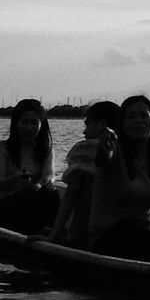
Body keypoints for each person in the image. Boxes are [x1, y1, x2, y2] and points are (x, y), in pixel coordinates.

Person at [87, 95, 150, 262]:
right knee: (128, 229)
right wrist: (105, 147)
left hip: (146, 235)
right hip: (109, 239)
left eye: (143, 116)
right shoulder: (114, 152)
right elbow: (104, 158)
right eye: (131, 117)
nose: (138, 121)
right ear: (123, 125)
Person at [41, 100, 120, 247]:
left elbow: (71, 194)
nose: (84, 131)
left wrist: (53, 235)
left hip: (85, 232)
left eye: (88, 124)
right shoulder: (128, 151)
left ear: (102, 124)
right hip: (119, 231)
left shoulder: (83, 152)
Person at [0, 98, 60, 234]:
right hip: (3, 207)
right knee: (28, 197)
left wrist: (36, 185)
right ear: (16, 123)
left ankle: (50, 231)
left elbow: (48, 177)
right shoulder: (2, 148)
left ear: (41, 125)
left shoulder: (46, 150)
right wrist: (15, 178)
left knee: (52, 194)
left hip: (32, 204)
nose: (29, 128)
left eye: (34, 123)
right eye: (24, 122)